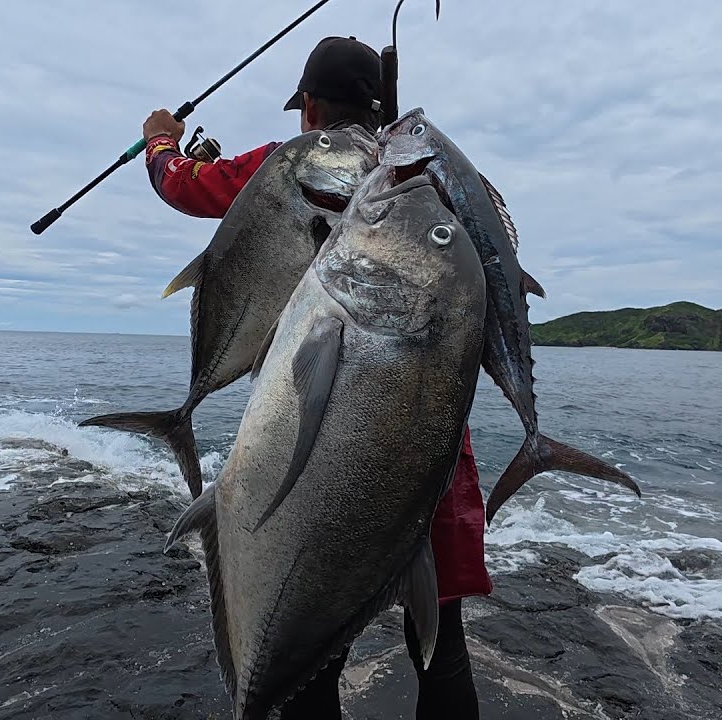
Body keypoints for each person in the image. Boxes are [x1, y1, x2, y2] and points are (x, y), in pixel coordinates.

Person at [140, 36, 491, 719]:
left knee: (310, 648)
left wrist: (159, 141)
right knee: (441, 648)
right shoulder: (433, 178)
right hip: (427, 436)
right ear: (378, 103)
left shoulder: (289, 166)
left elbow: (181, 186)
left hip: (317, 429)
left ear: (308, 108)